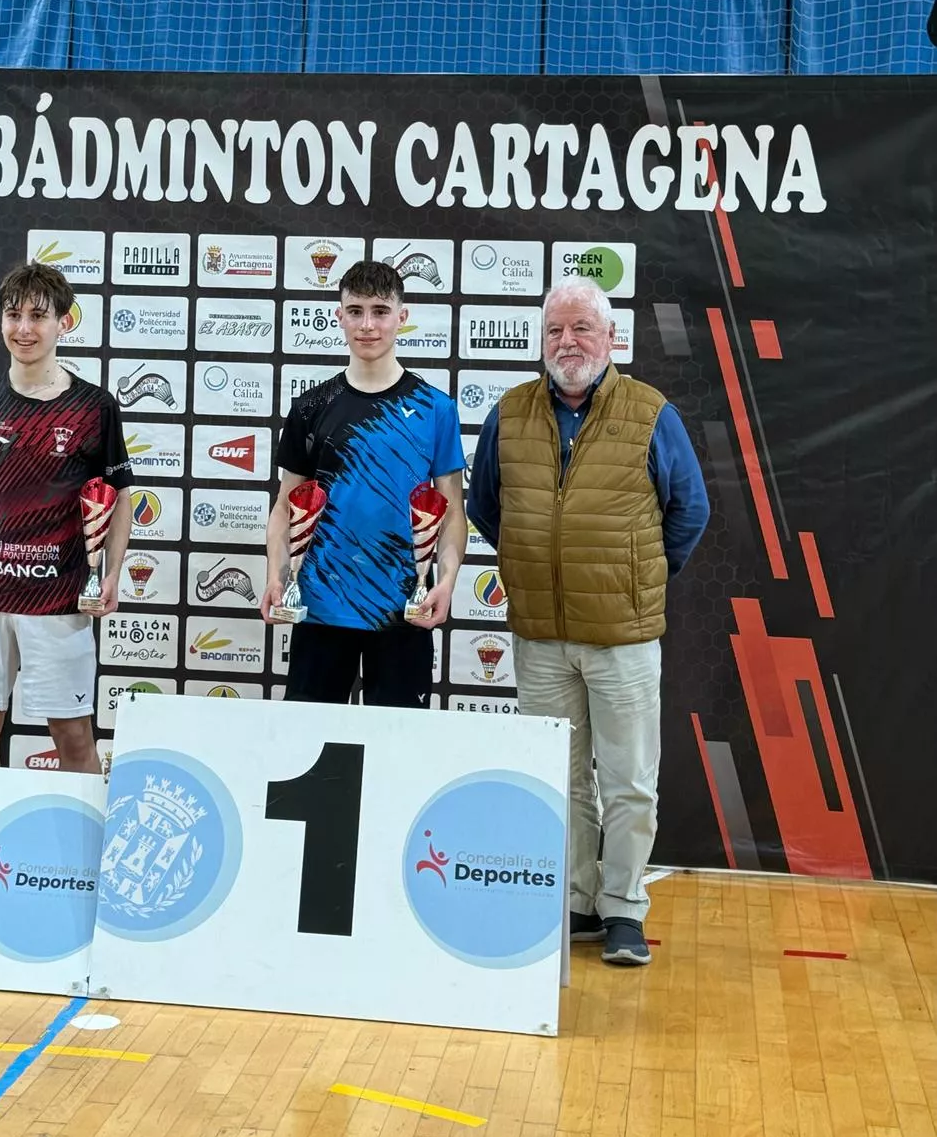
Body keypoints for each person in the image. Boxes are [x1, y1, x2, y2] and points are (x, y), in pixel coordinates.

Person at [466, 277, 710, 967]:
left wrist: (636, 580)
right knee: (559, 778)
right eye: (553, 331)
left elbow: (688, 511)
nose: (566, 342)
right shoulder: (509, 413)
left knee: (629, 780)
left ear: (610, 339)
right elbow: (487, 505)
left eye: (580, 329)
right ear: (539, 341)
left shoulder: (650, 413)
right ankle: (573, 900)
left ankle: (624, 908)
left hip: (622, 638)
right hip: (540, 637)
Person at [0, 261, 132, 774]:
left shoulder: (94, 407)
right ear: (0, 321)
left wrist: (113, 573)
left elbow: (121, 497)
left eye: (38, 316)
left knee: (73, 738)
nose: (24, 329)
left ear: (64, 322)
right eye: (13, 315)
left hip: (58, 597)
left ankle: (79, 856)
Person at [261, 259, 467, 706]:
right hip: (320, 609)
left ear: (402, 317)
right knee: (307, 757)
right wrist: (277, 574)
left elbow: (452, 512)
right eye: (355, 311)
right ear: (339, 316)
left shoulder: (436, 409)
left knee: (397, 760)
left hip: (402, 614)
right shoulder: (311, 407)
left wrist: (445, 582)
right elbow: (284, 507)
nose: (368, 325)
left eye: (379, 310)